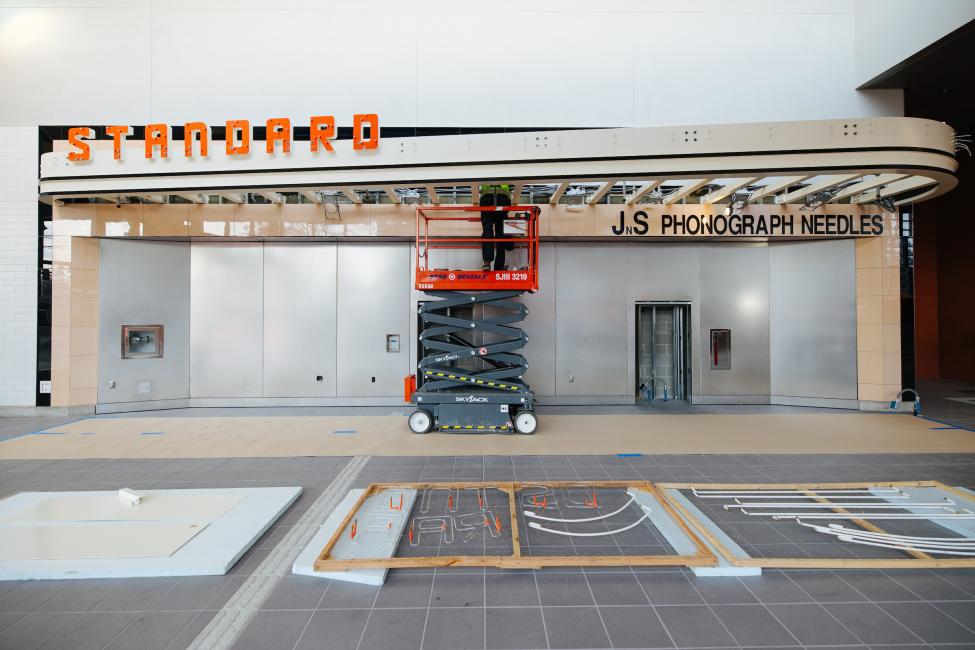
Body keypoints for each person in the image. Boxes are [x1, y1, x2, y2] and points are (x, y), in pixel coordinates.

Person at [479, 184, 512, 271]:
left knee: (489, 231)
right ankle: (495, 265)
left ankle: (488, 262)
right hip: (500, 199)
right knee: (497, 234)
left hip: (490, 198)